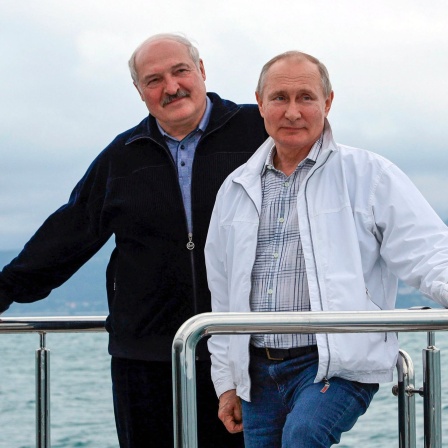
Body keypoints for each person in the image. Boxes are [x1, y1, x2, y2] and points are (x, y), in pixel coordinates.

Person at [0, 33, 267, 448]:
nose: (171, 87)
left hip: (244, 352)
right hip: (144, 359)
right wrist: (4, 289)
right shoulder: (122, 155)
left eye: (180, 71)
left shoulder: (259, 132)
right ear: (140, 91)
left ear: (201, 70)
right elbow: (68, 233)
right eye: (154, 79)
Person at [204, 50, 448, 448]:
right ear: (260, 102)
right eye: (280, 98)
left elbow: (430, 251)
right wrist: (227, 382)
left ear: (328, 103)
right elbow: (222, 293)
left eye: (306, 97)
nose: (293, 111)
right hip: (258, 370)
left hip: (336, 362)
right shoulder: (235, 187)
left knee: (304, 436)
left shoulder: (369, 174)